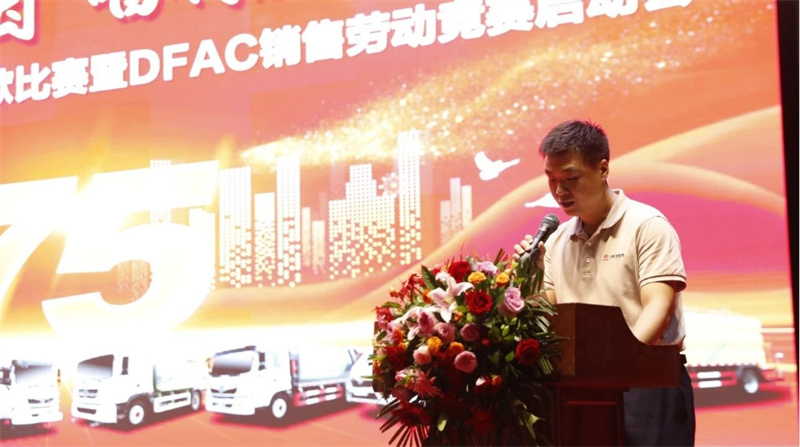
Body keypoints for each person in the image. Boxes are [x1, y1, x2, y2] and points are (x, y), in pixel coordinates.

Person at [513, 119, 696, 446]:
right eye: (552, 179)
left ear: (602, 169)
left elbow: (659, 307)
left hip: (647, 382)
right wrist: (531, 276)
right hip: (582, 388)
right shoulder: (556, 240)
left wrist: (618, 368)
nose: (559, 191)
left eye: (570, 178)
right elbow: (550, 315)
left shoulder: (647, 225)